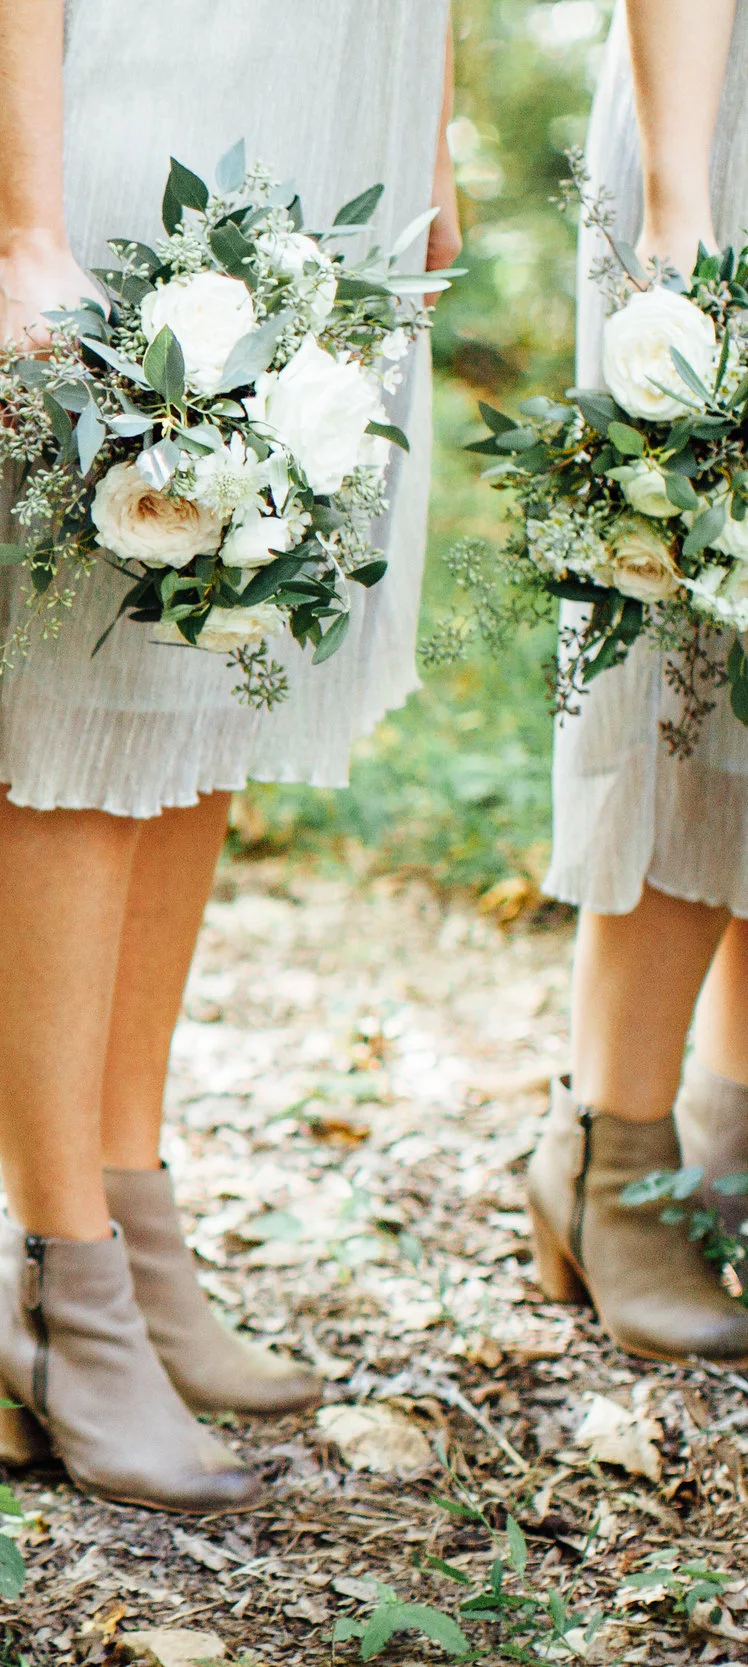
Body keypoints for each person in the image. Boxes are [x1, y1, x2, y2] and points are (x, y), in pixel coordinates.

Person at [0, 0, 459, 1512]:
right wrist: (23, 226)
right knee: (85, 716)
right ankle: (56, 1279)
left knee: (205, 682)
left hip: (325, 105)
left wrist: (421, 111)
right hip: (115, 112)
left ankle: (124, 1220)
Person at [527, 0, 748, 1365]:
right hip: (719, 135)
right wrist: (681, 206)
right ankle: (614, 1152)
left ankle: (725, 1139)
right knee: (691, 655)